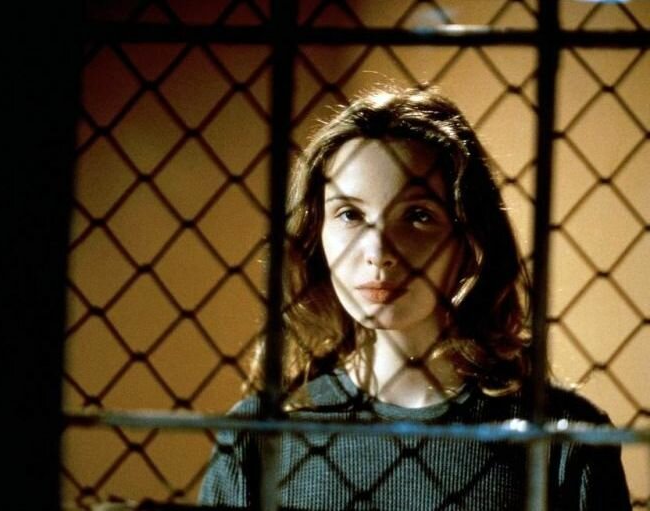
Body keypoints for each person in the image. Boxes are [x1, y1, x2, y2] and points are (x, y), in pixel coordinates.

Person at [198, 86, 631, 510]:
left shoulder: (565, 439)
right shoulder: (256, 437)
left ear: (469, 238)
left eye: (418, 215)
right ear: (316, 234)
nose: (379, 251)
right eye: (350, 214)